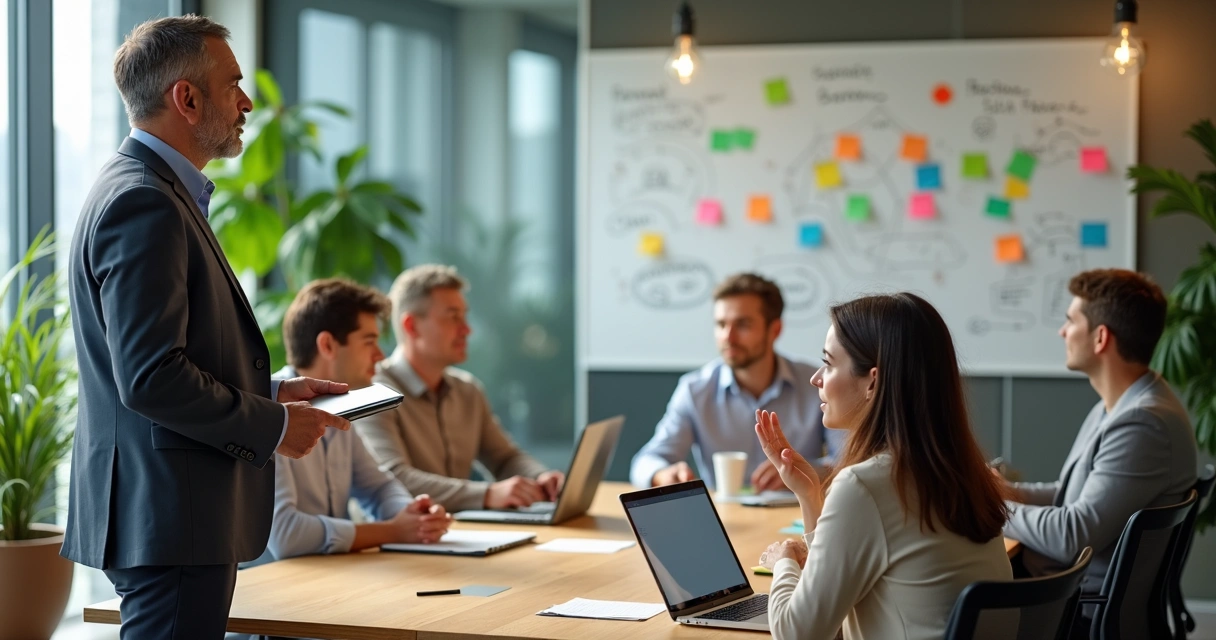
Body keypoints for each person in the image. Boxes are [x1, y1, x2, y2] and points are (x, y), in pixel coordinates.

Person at [62, 15, 350, 638]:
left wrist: (272, 392)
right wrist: (274, 426)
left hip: (172, 514)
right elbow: (151, 377)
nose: (248, 102)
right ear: (187, 99)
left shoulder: (150, 192)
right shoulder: (144, 201)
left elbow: (171, 357)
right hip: (174, 515)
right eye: (233, 85)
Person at [755, 293, 1011, 640]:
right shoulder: (961, 473)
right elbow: (829, 603)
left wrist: (784, 562)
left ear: (873, 381)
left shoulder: (866, 485)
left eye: (828, 363)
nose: (816, 378)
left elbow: (798, 634)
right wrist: (810, 497)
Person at [1001, 269, 1197, 595]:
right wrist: (1003, 491)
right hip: (1068, 590)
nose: (1062, 331)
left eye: (1070, 321)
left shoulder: (1142, 424)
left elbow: (1073, 535)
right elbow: (1070, 493)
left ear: (1101, 337)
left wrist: (993, 510)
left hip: (1076, 604)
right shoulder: (1120, 405)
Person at [261, 279, 452, 562]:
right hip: (272, 582)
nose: (380, 355)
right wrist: (393, 531)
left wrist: (414, 516)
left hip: (330, 575)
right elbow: (286, 536)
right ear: (327, 345)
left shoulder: (340, 406)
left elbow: (378, 487)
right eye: (369, 341)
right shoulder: (269, 412)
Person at [356, 265, 565, 512]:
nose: (467, 329)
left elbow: (505, 458)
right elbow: (393, 480)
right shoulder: (373, 393)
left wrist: (541, 478)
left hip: (460, 530)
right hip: (402, 533)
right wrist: (487, 494)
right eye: (453, 317)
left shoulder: (468, 391)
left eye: (465, 317)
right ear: (411, 326)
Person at [630, 273, 841, 490]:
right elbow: (647, 461)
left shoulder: (817, 384)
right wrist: (662, 475)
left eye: (743, 325)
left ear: (775, 330)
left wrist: (804, 471)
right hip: (723, 511)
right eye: (721, 324)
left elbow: (850, 461)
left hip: (798, 509)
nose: (728, 337)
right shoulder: (695, 390)